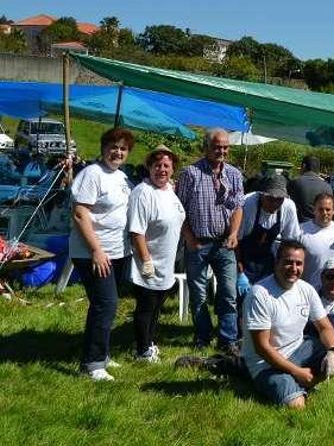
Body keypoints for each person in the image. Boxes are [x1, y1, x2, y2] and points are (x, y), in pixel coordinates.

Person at [241, 240, 334, 409]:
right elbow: (262, 348)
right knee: (297, 406)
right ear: (277, 262)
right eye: (288, 262)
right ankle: (273, 381)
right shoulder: (260, 294)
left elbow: (325, 327)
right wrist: (297, 371)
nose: (294, 268)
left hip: (297, 349)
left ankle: (301, 383)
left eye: (299, 263)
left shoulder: (306, 289)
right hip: (265, 363)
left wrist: (332, 351)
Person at [70, 128, 135, 381]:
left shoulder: (121, 177)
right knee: (105, 304)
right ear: (103, 147)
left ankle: (101, 353)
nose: (117, 152)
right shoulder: (91, 174)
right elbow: (80, 214)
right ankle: (92, 363)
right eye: (113, 146)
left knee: (106, 305)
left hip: (117, 251)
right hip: (93, 252)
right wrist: (96, 250)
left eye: (123, 148)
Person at [177, 129, 244, 353]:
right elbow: (179, 210)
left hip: (225, 243)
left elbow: (238, 207)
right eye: (217, 146)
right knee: (199, 294)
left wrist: (234, 233)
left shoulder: (234, 174)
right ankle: (202, 336)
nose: (221, 151)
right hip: (198, 242)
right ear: (206, 147)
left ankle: (228, 339)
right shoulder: (191, 173)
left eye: (225, 147)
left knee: (228, 292)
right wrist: (190, 239)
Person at [128, 145, 185, 363]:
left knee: (157, 306)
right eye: (157, 165)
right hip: (149, 259)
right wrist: (146, 260)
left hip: (167, 259)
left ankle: (149, 343)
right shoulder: (143, 193)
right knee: (146, 306)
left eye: (166, 166)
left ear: (172, 169)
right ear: (149, 167)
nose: (162, 169)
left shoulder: (169, 190)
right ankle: (142, 350)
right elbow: (137, 230)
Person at [237, 175, 301, 282]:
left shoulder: (288, 207)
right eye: (270, 199)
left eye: (279, 200)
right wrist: (239, 271)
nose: (274, 203)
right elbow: (235, 240)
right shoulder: (247, 203)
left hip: (267, 262)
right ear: (261, 194)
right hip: (242, 257)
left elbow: (290, 243)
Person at [299, 193, 334, 287]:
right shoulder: (301, 231)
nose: (324, 213)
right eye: (321, 209)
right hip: (310, 289)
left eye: (328, 209)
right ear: (314, 210)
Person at [288, 155, 332, 223]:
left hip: (300, 225)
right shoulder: (327, 186)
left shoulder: (295, 182)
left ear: (304, 166)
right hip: (321, 224)